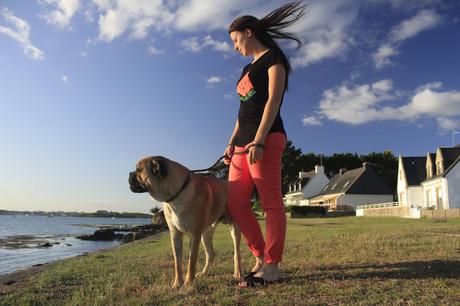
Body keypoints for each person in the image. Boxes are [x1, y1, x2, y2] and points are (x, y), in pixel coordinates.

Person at [223, 1, 308, 287]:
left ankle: (271, 265)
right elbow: (242, 111)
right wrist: (231, 143)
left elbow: (273, 100)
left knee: (271, 203)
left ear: (248, 33)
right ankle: (259, 255)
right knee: (236, 203)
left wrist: (259, 139)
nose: (234, 47)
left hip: (266, 139)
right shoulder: (246, 69)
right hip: (241, 144)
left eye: (235, 40)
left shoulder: (275, 59)